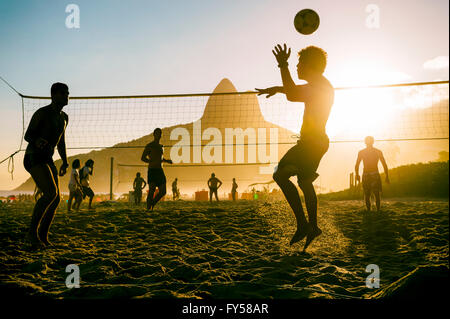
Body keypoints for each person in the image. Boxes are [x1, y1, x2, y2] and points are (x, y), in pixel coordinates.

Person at [256, 44, 334, 252]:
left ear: (309, 65)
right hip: (317, 142)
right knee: (305, 182)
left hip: (311, 143)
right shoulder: (322, 85)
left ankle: (302, 224)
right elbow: (296, 91)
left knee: (280, 175)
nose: (297, 67)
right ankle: (313, 227)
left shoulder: (320, 87)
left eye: (300, 63)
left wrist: (283, 64)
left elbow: (293, 94)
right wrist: (279, 89)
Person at [23, 82, 70, 248]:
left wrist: (65, 161)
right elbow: (28, 135)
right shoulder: (42, 113)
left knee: (56, 198)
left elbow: (61, 142)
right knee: (50, 193)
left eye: (67, 93)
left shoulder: (64, 117)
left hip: (48, 158)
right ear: (53, 95)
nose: (66, 96)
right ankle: (31, 234)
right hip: (33, 156)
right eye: (63, 93)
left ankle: (43, 235)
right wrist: (38, 140)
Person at [141, 128, 173, 211]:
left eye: (160, 133)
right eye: (157, 133)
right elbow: (143, 158)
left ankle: (152, 204)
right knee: (151, 191)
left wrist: (167, 161)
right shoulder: (150, 145)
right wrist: (150, 161)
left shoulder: (161, 146)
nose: (159, 135)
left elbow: (160, 158)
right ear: (154, 134)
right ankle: (148, 209)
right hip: (152, 170)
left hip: (160, 170)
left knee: (163, 191)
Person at [355, 136, 390, 212]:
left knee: (367, 194)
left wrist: (357, 174)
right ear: (373, 142)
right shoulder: (377, 151)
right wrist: (387, 176)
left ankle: (369, 210)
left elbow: (357, 165)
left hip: (367, 174)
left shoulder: (362, 152)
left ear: (365, 142)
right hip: (374, 174)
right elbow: (384, 164)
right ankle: (377, 210)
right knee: (376, 193)